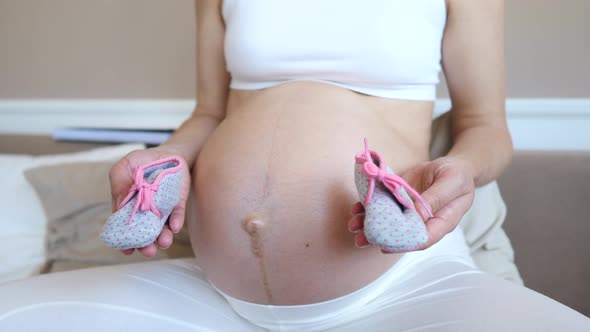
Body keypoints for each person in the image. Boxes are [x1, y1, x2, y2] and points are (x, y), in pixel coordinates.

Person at [0, 0, 588, 331]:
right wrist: (163, 159)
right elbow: (208, 114)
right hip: (215, 294)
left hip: (399, 285)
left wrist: (459, 170)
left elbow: (486, 126)